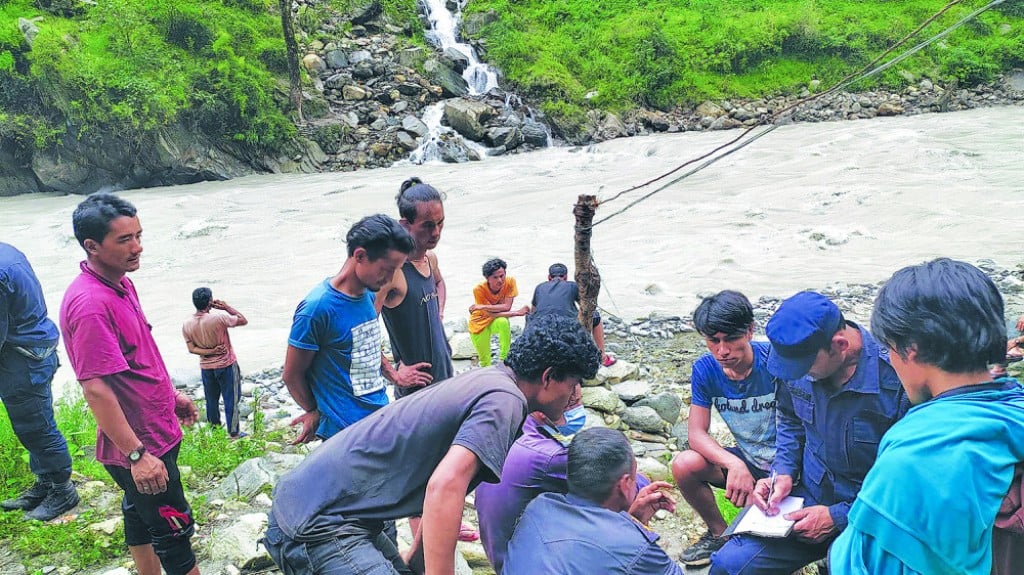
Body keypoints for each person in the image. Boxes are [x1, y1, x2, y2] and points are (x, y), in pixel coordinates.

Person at [264, 314, 600, 575]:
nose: (575, 396)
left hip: (330, 509)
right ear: (548, 376)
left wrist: (419, 561)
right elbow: (445, 486)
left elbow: (442, 486)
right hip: (317, 523)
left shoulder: (493, 383)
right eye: (573, 383)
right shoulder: (505, 402)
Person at [829, 259, 1024, 574]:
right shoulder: (1013, 407)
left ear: (912, 348)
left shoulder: (912, 458)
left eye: (890, 348)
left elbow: (862, 562)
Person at [710, 290, 910, 575]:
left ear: (839, 345)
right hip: (809, 497)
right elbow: (790, 419)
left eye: (805, 368)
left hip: (874, 514)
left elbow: (907, 482)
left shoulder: (899, 378)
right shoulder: (795, 362)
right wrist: (783, 474)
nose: (799, 374)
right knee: (729, 566)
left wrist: (837, 517)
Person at [60, 193, 201, 575]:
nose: (137, 247)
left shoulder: (119, 282)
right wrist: (137, 456)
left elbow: (135, 358)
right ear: (92, 246)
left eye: (138, 235)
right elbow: (96, 389)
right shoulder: (91, 304)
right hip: (140, 444)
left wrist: (170, 396)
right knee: (174, 532)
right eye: (124, 240)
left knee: (139, 512)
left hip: (151, 430)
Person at [284, 214, 415, 443]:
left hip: (379, 417)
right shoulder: (317, 309)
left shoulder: (368, 294)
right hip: (344, 435)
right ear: (360, 256)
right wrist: (313, 410)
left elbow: (365, 342)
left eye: (396, 269)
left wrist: (393, 374)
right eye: (386, 269)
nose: (390, 278)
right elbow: (292, 374)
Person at [671, 290, 776, 566]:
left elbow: (802, 431)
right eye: (713, 341)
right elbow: (696, 433)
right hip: (748, 460)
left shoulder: (774, 363)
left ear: (750, 331)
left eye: (731, 338)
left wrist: (778, 477)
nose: (722, 350)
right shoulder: (706, 369)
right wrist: (735, 465)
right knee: (685, 464)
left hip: (788, 464)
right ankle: (719, 533)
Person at [503, 427, 682, 575]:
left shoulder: (539, 507)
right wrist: (634, 530)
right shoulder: (635, 548)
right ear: (625, 484)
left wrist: (632, 522)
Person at [0, 242, 79, 522]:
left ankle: (62, 490)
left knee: (37, 427)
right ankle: (45, 482)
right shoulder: (7, 252)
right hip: (34, 345)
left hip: (22, 356)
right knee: (33, 423)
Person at [475, 385, 586, 574]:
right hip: (523, 564)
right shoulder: (548, 456)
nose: (579, 409)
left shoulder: (510, 426)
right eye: (573, 404)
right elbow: (608, 482)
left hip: (499, 552)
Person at [377, 177, 452, 398]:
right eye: (428, 225)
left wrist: (438, 310)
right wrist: (393, 374)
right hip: (415, 392)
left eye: (440, 223)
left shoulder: (430, 259)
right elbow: (361, 329)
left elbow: (439, 283)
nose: (436, 232)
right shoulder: (393, 272)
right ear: (405, 224)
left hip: (444, 374)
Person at [181, 288, 248, 438]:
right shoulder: (219, 318)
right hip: (226, 365)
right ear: (210, 302)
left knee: (211, 400)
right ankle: (234, 432)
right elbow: (243, 320)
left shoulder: (187, 324)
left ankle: (215, 432)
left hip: (206, 368)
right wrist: (226, 307)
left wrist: (210, 352)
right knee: (231, 399)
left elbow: (192, 349)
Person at [528, 262, 615, 366]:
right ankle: (602, 357)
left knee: (530, 318)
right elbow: (586, 308)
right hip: (565, 329)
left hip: (541, 331)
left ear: (549, 277)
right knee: (595, 316)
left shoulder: (539, 287)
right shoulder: (572, 286)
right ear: (566, 277)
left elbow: (533, 312)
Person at [469, 258, 528, 367]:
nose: (500, 280)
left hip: (495, 321)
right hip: (479, 323)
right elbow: (490, 314)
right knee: (485, 361)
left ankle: (504, 360)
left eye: (502, 276)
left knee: (503, 322)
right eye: (495, 277)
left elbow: (506, 307)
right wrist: (517, 313)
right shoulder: (479, 290)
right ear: (487, 279)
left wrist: (482, 306)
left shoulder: (510, 282)